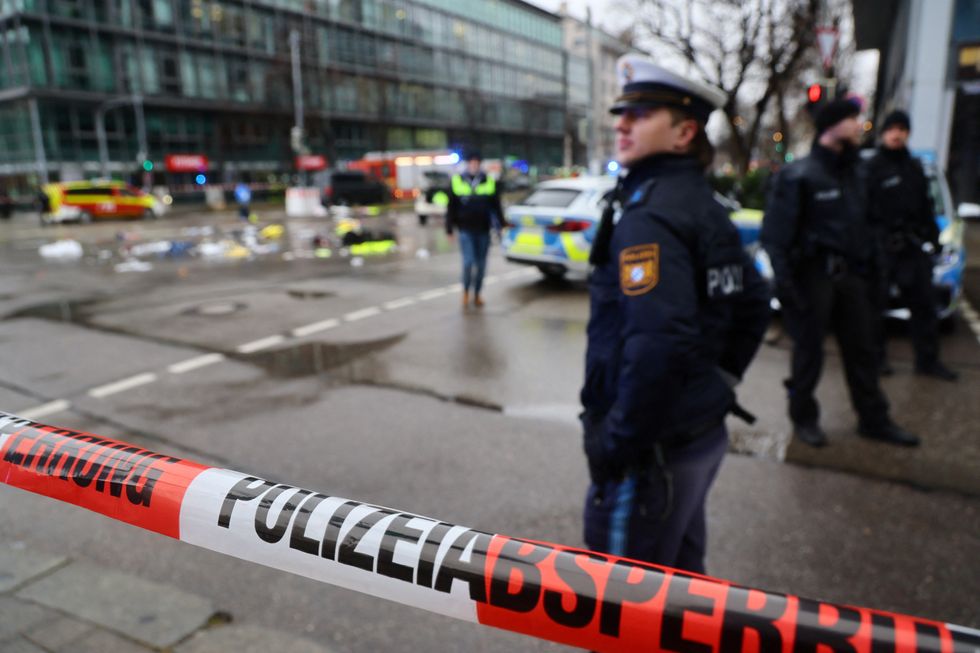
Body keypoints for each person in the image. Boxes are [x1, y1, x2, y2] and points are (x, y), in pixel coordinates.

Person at [580, 54, 770, 574]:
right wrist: (718, 379)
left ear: (684, 132)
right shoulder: (699, 201)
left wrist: (617, 444)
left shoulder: (652, 213)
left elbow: (659, 342)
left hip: (651, 455)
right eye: (622, 112)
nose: (621, 123)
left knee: (620, 612)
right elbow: (752, 298)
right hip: (695, 436)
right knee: (683, 595)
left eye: (640, 114)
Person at [761, 98, 920, 448]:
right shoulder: (799, 174)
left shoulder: (858, 173)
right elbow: (775, 238)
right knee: (808, 354)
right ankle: (804, 417)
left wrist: (877, 276)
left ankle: (874, 419)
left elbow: (871, 226)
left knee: (862, 351)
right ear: (830, 125)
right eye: (850, 118)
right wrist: (788, 288)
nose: (857, 125)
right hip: (812, 277)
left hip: (853, 278)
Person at [863, 110, 957, 381]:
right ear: (883, 133)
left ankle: (927, 361)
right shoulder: (871, 168)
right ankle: (877, 360)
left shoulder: (914, 167)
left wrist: (934, 241)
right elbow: (861, 210)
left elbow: (926, 208)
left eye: (902, 128)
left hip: (912, 247)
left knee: (925, 307)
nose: (897, 133)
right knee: (874, 309)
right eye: (892, 128)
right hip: (881, 247)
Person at [445, 151, 502, 308]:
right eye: (471, 162)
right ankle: (465, 292)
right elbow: (451, 207)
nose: (474, 165)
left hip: (484, 229)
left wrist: (501, 225)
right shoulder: (458, 180)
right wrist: (449, 228)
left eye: (477, 162)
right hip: (465, 229)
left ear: (480, 164)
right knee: (469, 262)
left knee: (482, 264)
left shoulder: (488, 180)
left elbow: (496, 205)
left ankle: (477, 293)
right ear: (468, 164)